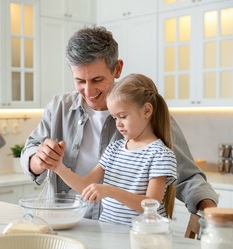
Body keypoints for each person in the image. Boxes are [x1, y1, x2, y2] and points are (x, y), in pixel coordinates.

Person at [20, 26, 218, 220]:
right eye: (80, 81)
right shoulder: (59, 107)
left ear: (118, 68)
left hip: (123, 233)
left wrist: (211, 214)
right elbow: (31, 150)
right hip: (64, 221)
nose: (88, 91)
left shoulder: (147, 114)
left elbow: (188, 177)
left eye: (97, 79)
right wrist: (39, 161)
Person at [53, 73, 177, 225]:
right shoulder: (114, 149)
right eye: (114, 118)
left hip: (141, 235)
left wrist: (110, 190)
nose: (118, 124)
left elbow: (150, 205)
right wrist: (57, 166)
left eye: (123, 116)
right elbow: (86, 185)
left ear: (146, 111)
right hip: (108, 232)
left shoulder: (160, 154)